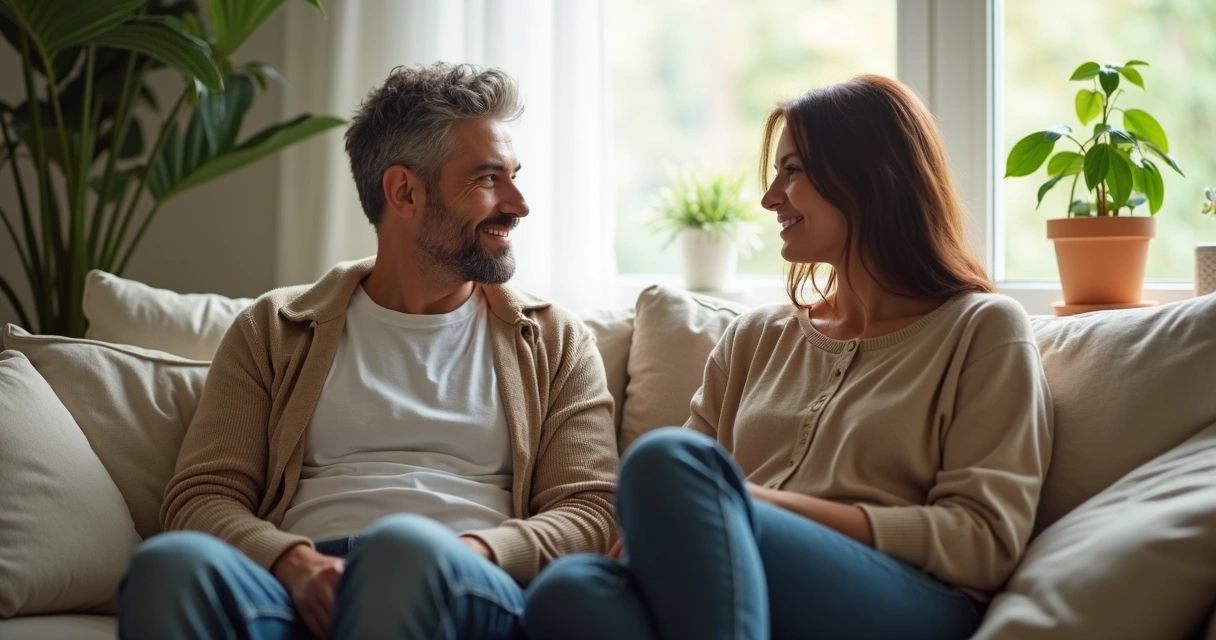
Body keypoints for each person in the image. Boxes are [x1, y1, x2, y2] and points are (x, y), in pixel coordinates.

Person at [523, 74, 1054, 640]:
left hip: (909, 597)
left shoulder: (982, 330)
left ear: (870, 175)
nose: (770, 197)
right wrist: (693, 512)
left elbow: (984, 542)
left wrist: (740, 501)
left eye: (792, 170)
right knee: (570, 592)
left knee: (664, 460)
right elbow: (673, 500)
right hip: (741, 586)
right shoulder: (757, 336)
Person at [117, 62, 619, 640]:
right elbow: (201, 498)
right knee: (166, 567)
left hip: (460, 585)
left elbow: (590, 512)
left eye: (514, 175)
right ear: (404, 191)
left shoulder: (553, 339)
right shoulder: (275, 328)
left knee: (404, 551)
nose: (519, 203)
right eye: (488, 179)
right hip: (299, 590)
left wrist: (478, 551)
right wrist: (294, 565)